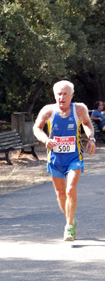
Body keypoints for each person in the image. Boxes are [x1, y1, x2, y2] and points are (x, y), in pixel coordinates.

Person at [33, 80, 96, 241]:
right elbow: (37, 128)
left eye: (65, 94)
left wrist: (91, 138)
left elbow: (87, 124)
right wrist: (46, 140)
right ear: (55, 96)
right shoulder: (48, 110)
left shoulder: (79, 109)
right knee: (61, 193)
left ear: (71, 95)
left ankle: (68, 226)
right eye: (59, 94)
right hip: (55, 158)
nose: (61, 97)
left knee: (70, 190)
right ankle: (71, 219)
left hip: (74, 157)